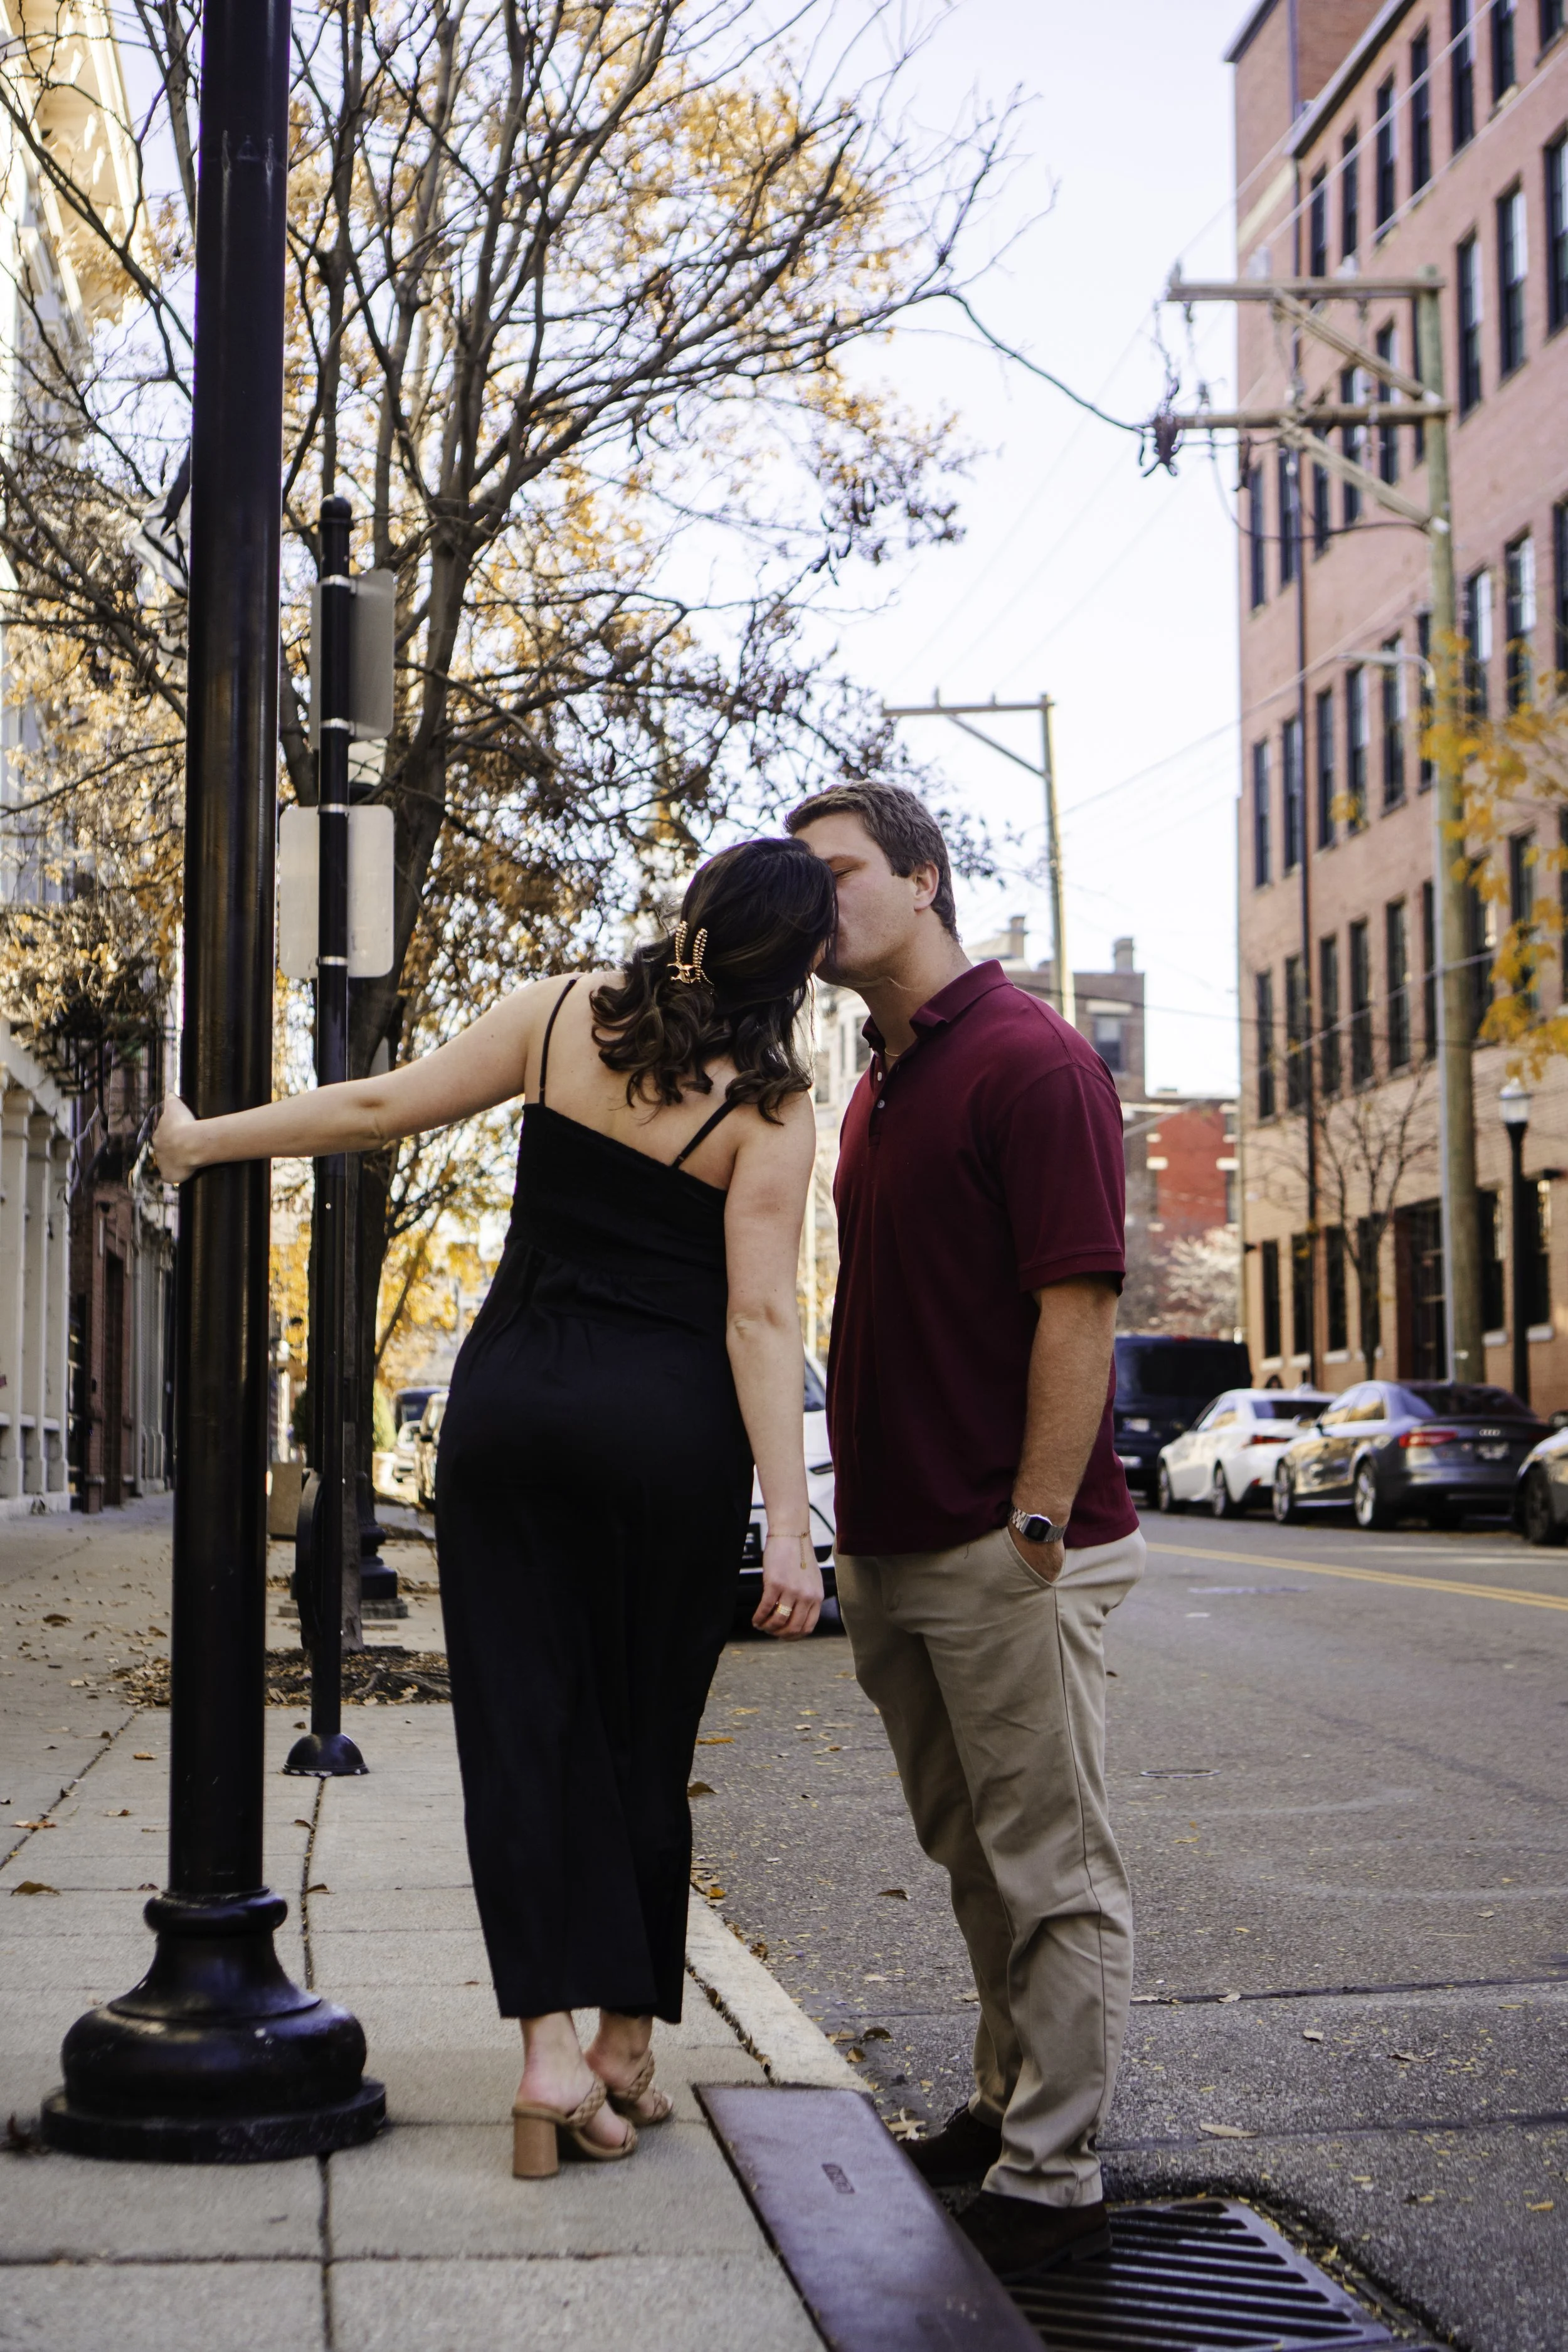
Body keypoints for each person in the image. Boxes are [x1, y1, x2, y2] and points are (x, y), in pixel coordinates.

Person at [152, 836, 834, 2176]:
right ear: (801, 970)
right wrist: (791, 1529)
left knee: (522, 1735)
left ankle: (546, 2056)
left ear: (687, 914)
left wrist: (201, 1141)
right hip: (664, 1441)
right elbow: (759, 1317)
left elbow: (375, 1113)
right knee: (640, 1739)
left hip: (511, 1413)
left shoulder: (560, 1012)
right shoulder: (769, 1111)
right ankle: (626, 2044)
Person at [787, 781, 1143, 2286]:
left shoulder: (1028, 1062)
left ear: (923, 880)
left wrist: (1035, 1524)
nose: (816, 906)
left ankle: (1052, 2174)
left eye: (840, 874)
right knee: (974, 1857)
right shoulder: (879, 1077)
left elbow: (1080, 1302)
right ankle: (1004, 2108)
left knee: (1049, 1868)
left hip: (1004, 1546)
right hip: (895, 1541)